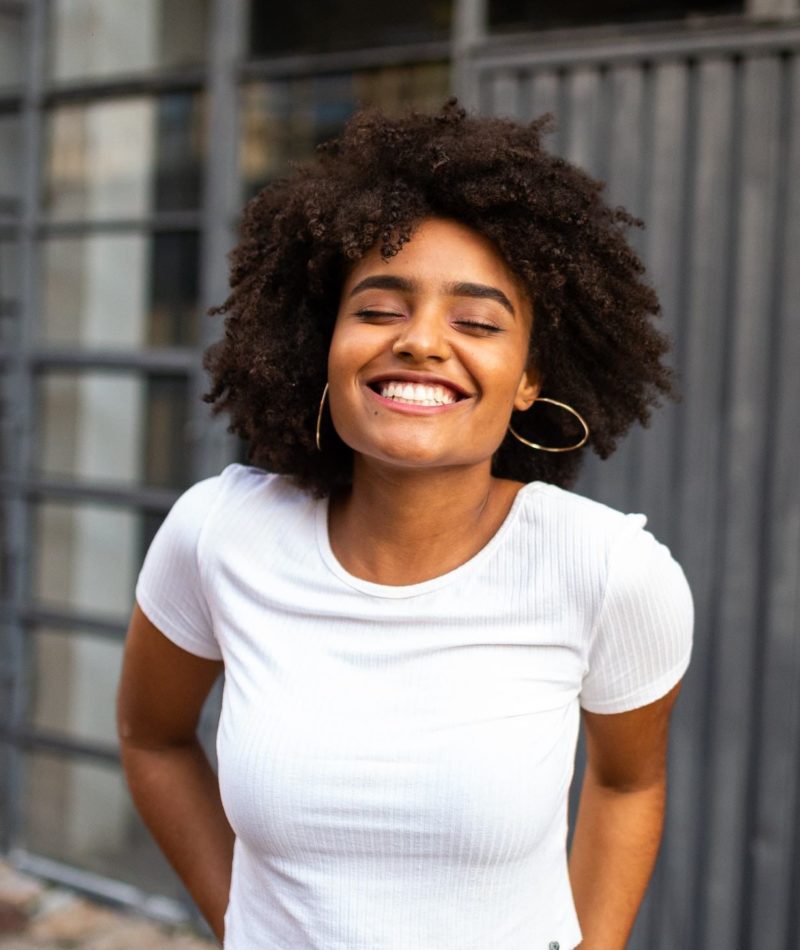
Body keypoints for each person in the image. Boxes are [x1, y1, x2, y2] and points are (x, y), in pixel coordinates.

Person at [116, 98, 693, 950]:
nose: (422, 342)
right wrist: (241, 923)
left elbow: (628, 785)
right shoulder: (219, 534)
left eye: (477, 322)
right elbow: (153, 738)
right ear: (323, 344)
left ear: (529, 377)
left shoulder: (608, 570)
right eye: (380, 310)